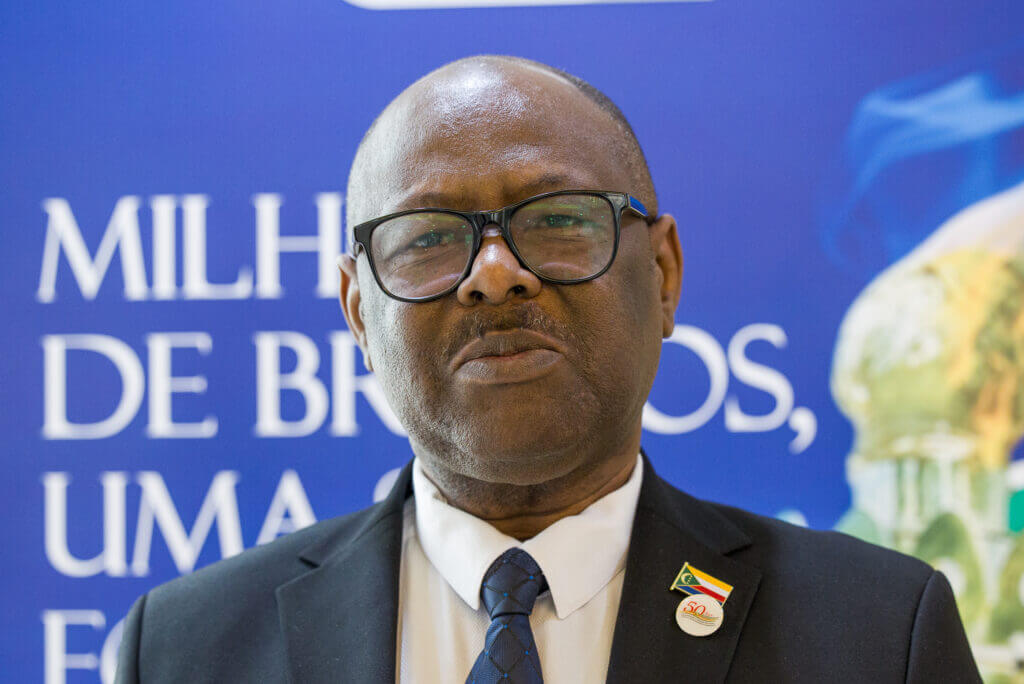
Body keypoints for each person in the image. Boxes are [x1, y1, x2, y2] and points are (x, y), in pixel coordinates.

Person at [114, 55, 980, 683]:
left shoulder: (876, 634)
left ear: (664, 274)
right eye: (429, 238)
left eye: (559, 219)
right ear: (358, 313)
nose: (495, 273)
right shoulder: (185, 650)